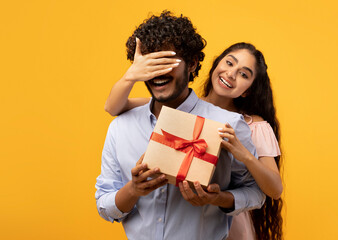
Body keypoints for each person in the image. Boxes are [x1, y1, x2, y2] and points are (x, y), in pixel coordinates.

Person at [95, 11, 265, 240]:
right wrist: (133, 190)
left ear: (192, 63)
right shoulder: (121, 127)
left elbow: (255, 193)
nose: (159, 72)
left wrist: (218, 198)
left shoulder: (227, 125)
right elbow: (104, 205)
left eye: (167, 61)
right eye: (151, 63)